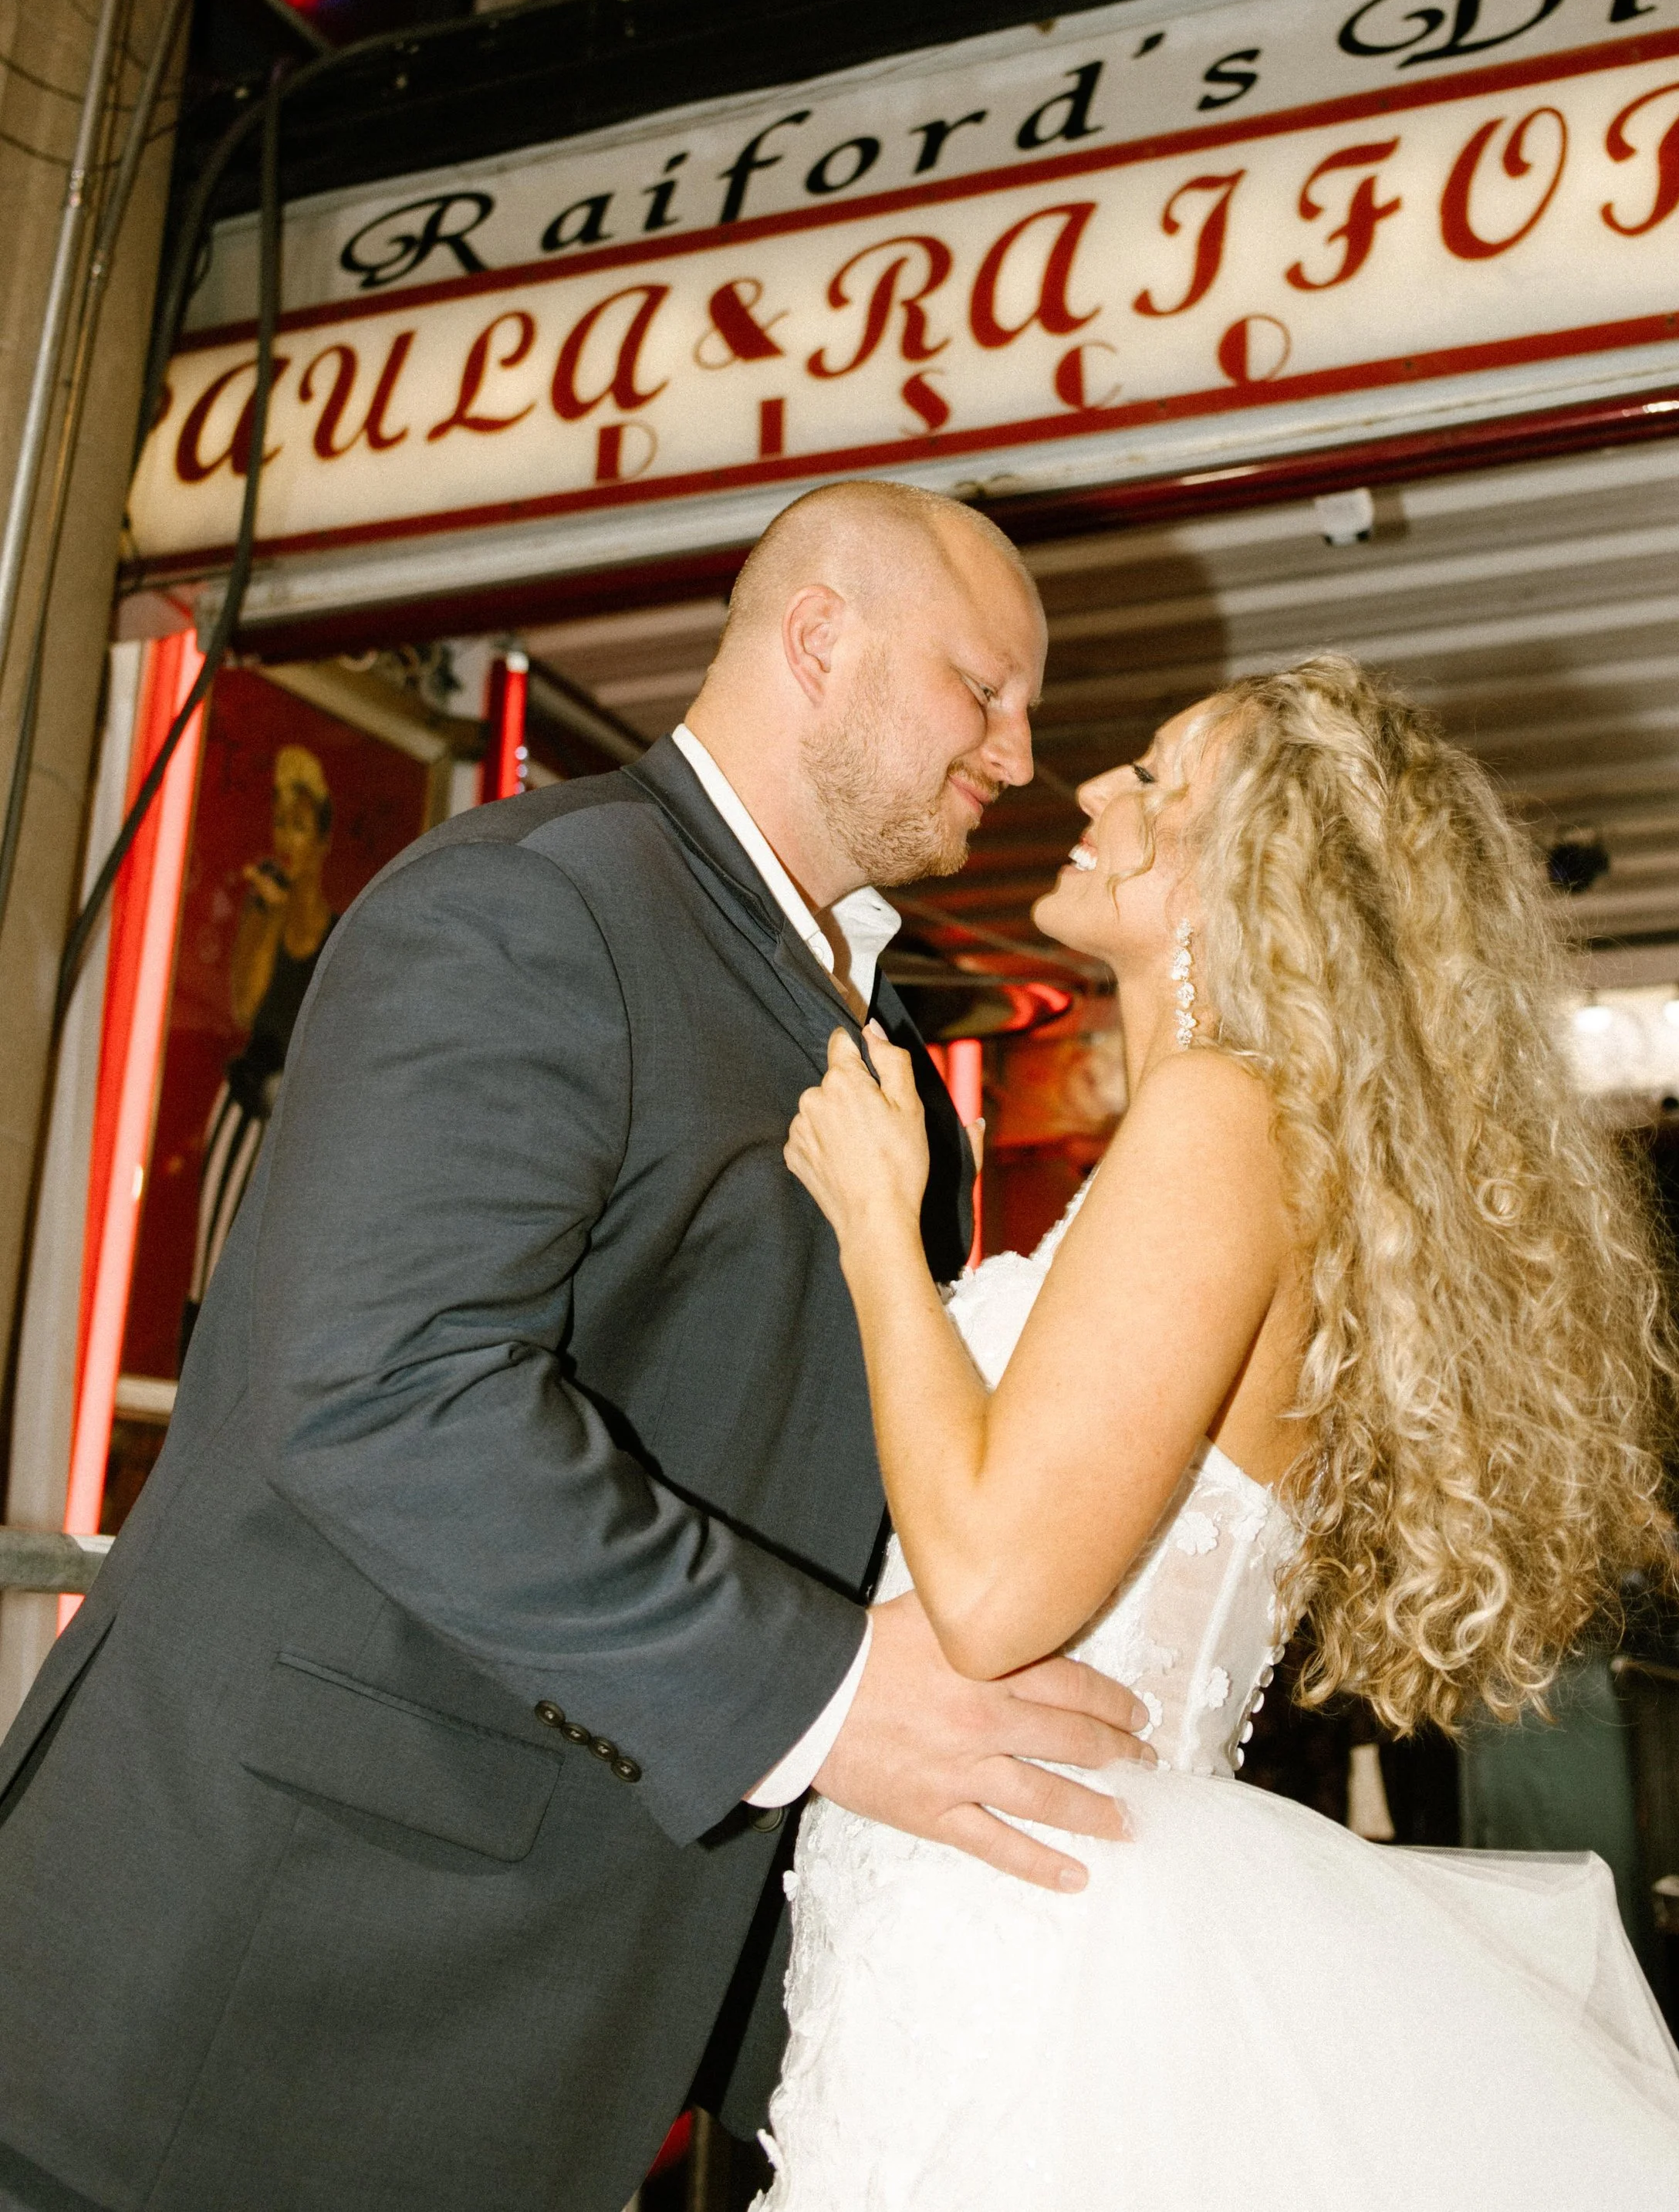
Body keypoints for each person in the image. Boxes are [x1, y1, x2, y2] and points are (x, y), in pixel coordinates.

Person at [0, 481, 1149, 2212]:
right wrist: (825, 1696)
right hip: (256, 1984)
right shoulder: (539, 905)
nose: (1018, 749)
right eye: (981, 688)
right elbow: (382, 1391)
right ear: (819, 642)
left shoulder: (899, 1059)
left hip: (545, 2004)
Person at [768, 658, 1679, 2210]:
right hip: (986, 1895)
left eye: (1155, 781)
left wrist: (873, 1227)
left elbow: (991, 1596)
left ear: (1252, 869)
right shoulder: (1244, 1137)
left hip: (1031, 1951)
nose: (1092, 796)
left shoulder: (1221, 1118)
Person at [185, 740, 337, 1355]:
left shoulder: (336, 933)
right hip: (248, 1103)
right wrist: (265, 917)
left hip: (299, 1121)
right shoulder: (263, 906)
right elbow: (246, 1004)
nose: (285, 839)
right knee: (211, 1263)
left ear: (322, 840)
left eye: (298, 826)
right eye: (280, 823)